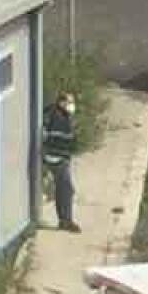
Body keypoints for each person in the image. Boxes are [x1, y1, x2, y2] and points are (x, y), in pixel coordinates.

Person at [43, 92, 80, 233]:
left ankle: (64, 220)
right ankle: (66, 221)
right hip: (57, 158)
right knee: (66, 189)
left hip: (58, 158)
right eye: (69, 102)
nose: (71, 106)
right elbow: (57, 141)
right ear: (61, 103)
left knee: (63, 188)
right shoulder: (59, 118)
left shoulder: (55, 114)